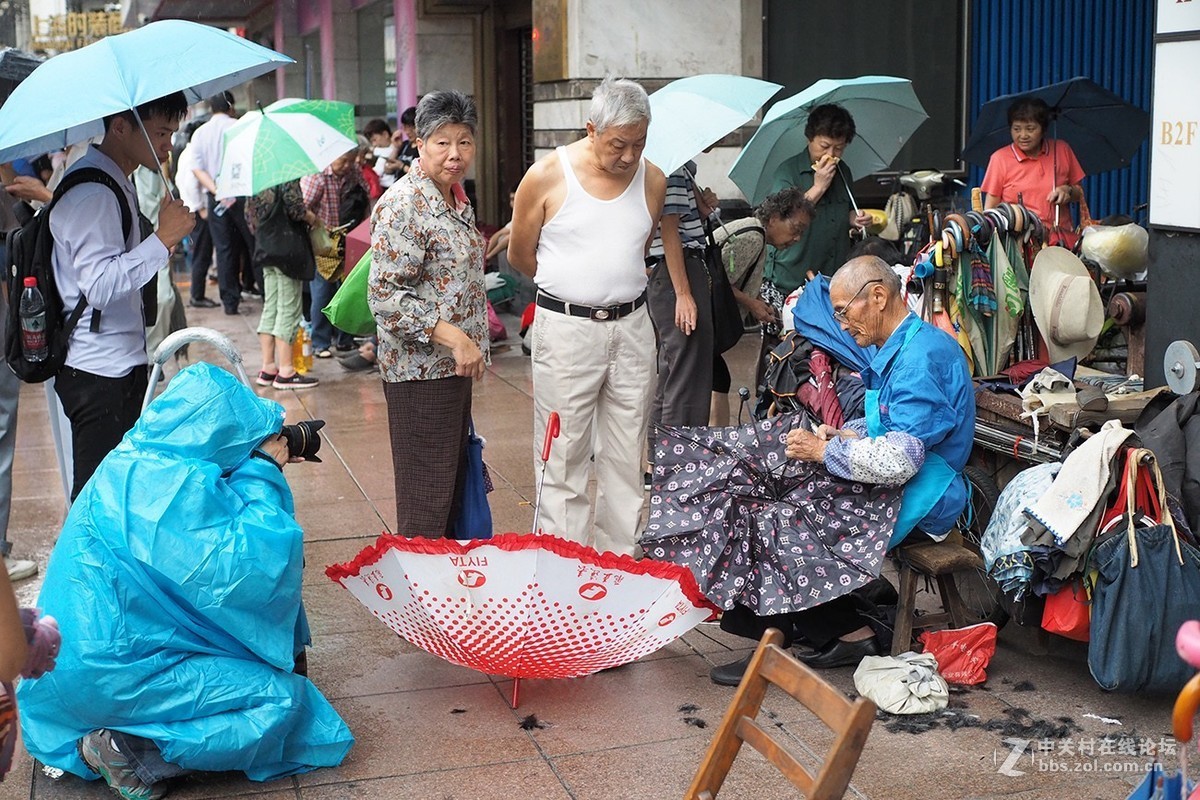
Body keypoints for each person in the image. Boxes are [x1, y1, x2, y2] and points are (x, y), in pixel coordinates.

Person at [18, 363, 353, 799]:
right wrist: (263, 471)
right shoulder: (180, 490)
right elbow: (255, 572)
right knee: (282, 702)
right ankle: (132, 749)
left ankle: (93, 745)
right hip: (117, 676)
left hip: (61, 677)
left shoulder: (126, 461)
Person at [710, 255, 974, 684]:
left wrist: (820, 451)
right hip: (904, 483)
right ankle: (837, 629)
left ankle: (783, 637)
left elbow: (899, 460)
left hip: (927, 497)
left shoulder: (920, 357)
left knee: (781, 519)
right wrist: (842, 434)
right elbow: (886, 425)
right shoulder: (902, 347)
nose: (840, 323)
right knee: (765, 494)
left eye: (841, 310)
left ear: (877, 296)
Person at [507, 77, 667, 557]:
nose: (628, 157)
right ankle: (564, 566)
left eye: (639, 144)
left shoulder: (654, 179)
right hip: (567, 328)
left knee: (626, 450)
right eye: (618, 144)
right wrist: (572, 291)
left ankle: (617, 563)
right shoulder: (546, 175)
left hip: (633, 327)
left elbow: (636, 250)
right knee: (564, 451)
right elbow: (520, 254)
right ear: (591, 128)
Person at [51, 91, 195, 501]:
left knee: (119, 494)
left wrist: (162, 238)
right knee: (97, 501)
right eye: (160, 132)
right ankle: (85, 568)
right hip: (98, 372)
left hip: (118, 363)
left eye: (171, 132)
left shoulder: (117, 180)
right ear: (120, 126)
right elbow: (98, 286)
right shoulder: (94, 192)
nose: (168, 144)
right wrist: (163, 238)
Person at [368, 91, 489, 538]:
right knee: (426, 498)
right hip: (420, 373)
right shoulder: (406, 204)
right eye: (442, 142)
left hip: (451, 369)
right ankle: (417, 600)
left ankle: (443, 593)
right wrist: (455, 338)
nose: (455, 154)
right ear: (419, 143)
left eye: (464, 141)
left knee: (448, 490)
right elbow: (384, 295)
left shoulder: (454, 198)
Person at [759, 104, 872, 389]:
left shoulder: (843, 172)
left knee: (826, 346)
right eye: (824, 146)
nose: (831, 155)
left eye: (839, 148)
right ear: (810, 138)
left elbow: (840, 212)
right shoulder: (789, 172)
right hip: (790, 275)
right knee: (782, 349)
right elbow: (782, 221)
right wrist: (819, 186)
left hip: (831, 275)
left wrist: (854, 219)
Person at [709, 188, 815, 426]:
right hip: (704, 322)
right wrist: (752, 304)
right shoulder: (753, 237)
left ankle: (719, 440)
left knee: (718, 379)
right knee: (715, 380)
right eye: (795, 229)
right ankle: (717, 441)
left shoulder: (755, 232)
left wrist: (757, 301)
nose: (797, 238)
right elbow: (718, 281)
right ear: (775, 218)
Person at [645, 160, 712, 471]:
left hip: (677, 272)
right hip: (677, 272)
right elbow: (669, 227)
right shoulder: (668, 166)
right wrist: (683, 293)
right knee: (685, 372)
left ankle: (663, 460)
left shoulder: (681, 167)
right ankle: (677, 464)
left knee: (676, 370)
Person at [246, 179, 321, 389]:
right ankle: (286, 371)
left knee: (271, 307)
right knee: (288, 309)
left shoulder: (256, 178)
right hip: (287, 250)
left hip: (265, 247)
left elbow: (249, 217)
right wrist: (313, 218)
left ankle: (268, 367)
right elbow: (295, 208)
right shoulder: (286, 173)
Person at [190, 91, 256, 315]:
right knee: (252, 244)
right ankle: (264, 292)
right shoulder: (239, 126)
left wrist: (216, 189)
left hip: (216, 196)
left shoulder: (200, 133)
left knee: (224, 249)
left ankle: (230, 302)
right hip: (241, 193)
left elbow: (196, 168)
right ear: (230, 105)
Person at [301, 147, 367, 358]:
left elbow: (364, 193)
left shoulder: (353, 171)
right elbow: (303, 207)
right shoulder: (317, 176)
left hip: (349, 238)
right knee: (322, 290)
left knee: (347, 289)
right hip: (324, 240)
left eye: (350, 161)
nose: (346, 166)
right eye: (343, 161)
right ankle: (320, 343)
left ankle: (345, 340)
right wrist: (318, 224)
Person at [980, 96, 1085, 229]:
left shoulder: (1062, 149)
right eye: (1017, 129)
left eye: (1030, 129)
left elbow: (1079, 193)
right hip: (1018, 239)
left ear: (1044, 130)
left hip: (1058, 238)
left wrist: (1067, 191)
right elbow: (990, 210)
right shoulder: (1000, 158)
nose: (1023, 135)